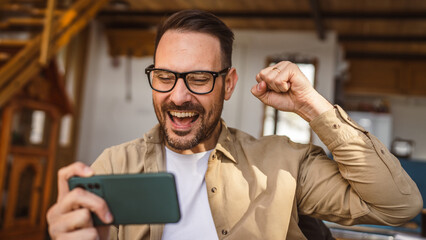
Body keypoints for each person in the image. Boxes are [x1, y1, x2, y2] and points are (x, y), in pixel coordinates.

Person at [46, 9, 423, 240]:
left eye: (198, 78)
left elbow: (398, 205)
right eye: (164, 76)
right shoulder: (113, 167)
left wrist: (313, 107)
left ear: (228, 84)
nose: (178, 96)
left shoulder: (283, 166)